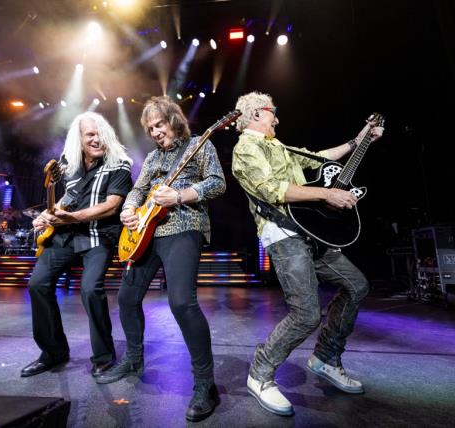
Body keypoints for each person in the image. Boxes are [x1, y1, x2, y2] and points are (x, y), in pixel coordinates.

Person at [231, 91, 384, 416]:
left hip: (312, 231)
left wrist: (359, 140)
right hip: (283, 234)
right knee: (306, 314)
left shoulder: (278, 145)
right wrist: (327, 194)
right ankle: (260, 374)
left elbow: (319, 157)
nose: (277, 118)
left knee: (357, 286)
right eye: (273, 112)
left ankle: (326, 356)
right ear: (257, 114)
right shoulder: (246, 147)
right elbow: (272, 189)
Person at [95, 96, 226, 422]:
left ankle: (206, 384)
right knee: (126, 298)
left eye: (159, 124)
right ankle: (134, 359)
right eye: (150, 128)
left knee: (182, 303)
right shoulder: (153, 157)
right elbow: (137, 191)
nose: (155, 132)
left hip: (184, 226)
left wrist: (180, 195)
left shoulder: (199, 145)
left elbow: (217, 183)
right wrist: (128, 210)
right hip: (146, 234)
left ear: (174, 120)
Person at [21, 112, 133, 379]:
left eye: (99, 133)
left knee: (90, 290)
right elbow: (65, 199)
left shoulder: (120, 164)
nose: (96, 139)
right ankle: (53, 353)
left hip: (98, 236)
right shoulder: (68, 166)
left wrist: (69, 217)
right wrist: (47, 216)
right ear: (79, 139)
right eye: (89, 134)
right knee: (37, 284)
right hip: (65, 236)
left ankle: (104, 357)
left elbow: (111, 207)